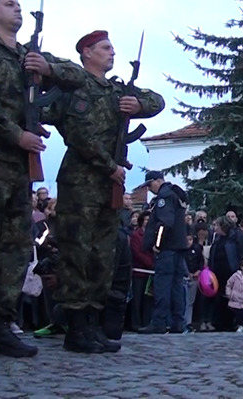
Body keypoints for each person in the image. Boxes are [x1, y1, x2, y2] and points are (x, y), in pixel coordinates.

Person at [0, 0, 83, 358]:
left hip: (16, 166)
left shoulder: (29, 55)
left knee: (13, 246)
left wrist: (48, 68)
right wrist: (17, 135)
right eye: (9, 5)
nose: (18, 9)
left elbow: (75, 76)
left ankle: (1, 320)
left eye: (19, 5)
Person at [43, 30, 164, 353]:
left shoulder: (115, 91)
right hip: (81, 180)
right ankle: (75, 326)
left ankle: (92, 322)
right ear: (86, 52)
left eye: (112, 48)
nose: (112, 53)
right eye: (105, 48)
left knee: (102, 255)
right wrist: (108, 164)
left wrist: (137, 103)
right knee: (78, 253)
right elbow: (78, 135)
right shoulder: (75, 85)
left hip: (109, 182)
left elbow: (157, 101)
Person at [138, 171, 190, 335]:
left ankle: (159, 322)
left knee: (163, 286)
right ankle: (177, 322)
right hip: (178, 248)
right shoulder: (176, 195)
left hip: (167, 249)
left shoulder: (164, 197)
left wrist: (157, 245)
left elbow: (164, 224)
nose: (149, 189)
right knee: (176, 286)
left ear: (156, 181)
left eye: (149, 185)